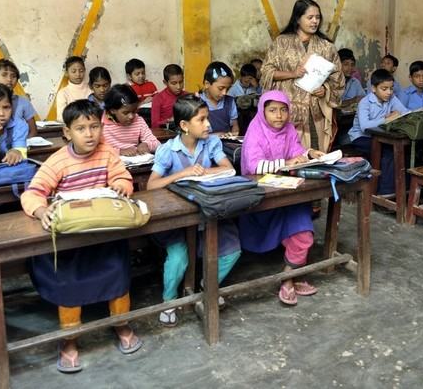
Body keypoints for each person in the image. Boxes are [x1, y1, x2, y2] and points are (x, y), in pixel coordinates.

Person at [21, 100, 141, 373]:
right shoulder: (58, 161)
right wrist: (40, 211)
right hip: (71, 243)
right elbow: (33, 192)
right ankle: (69, 341)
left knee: (118, 276)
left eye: (95, 126)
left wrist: (122, 186)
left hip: (103, 235)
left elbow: (123, 177)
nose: (90, 134)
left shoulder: (108, 153)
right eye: (81, 128)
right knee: (69, 287)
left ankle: (121, 324)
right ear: (67, 132)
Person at [147, 96, 241, 326]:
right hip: (177, 219)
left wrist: (205, 173)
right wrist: (183, 173)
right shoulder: (167, 150)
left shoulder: (211, 143)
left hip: (206, 213)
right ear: (184, 126)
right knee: (179, 258)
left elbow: (228, 169)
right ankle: (168, 301)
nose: (209, 124)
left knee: (232, 250)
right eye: (202, 120)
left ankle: (207, 287)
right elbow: (151, 185)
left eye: (207, 118)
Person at [240, 91, 325, 305]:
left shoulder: (288, 129)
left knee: (304, 234)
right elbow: (254, 166)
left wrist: (309, 153)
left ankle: (289, 276)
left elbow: (295, 151)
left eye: (283, 109)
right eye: (272, 110)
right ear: (262, 111)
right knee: (295, 225)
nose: (279, 115)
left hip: (288, 193)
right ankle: (292, 279)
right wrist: (286, 164)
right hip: (261, 199)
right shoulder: (255, 131)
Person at [260, 0, 345, 151]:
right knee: (289, 156)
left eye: (318, 18)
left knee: (314, 155)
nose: (315, 22)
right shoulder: (281, 43)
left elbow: (337, 80)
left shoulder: (327, 47)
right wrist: (292, 73)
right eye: (310, 17)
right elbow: (266, 72)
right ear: (298, 19)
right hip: (287, 111)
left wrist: (325, 90)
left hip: (314, 113)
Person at [348, 69, 409, 195]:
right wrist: (387, 119)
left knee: (404, 150)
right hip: (361, 137)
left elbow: (405, 112)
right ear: (374, 88)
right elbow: (365, 126)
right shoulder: (365, 102)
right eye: (384, 88)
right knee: (388, 152)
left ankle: (403, 188)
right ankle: (385, 192)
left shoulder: (392, 98)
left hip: (381, 137)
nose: (389, 92)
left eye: (391, 88)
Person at [0, 58, 38, 136]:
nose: (9, 79)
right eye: (4, 75)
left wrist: (21, 145)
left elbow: (33, 131)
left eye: (13, 76)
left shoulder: (23, 102)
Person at [101, 84, 160, 156]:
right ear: (113, 110)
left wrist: (147, 145)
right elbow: (98, 150)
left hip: (136, 163)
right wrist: (120, 151)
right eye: (125, 113)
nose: (131, 116)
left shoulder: (138, 121)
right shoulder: (102, 125)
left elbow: (156, 143)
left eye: (134, 111)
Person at [200, 61, 239, 135]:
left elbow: (235, 125)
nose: (224, 93)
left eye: (227, 89)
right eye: (221, 88)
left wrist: (234, 135)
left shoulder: (230, 102)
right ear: (207, 84)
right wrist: (218, 136)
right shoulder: (197, 102)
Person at [56, 56, 91, 122]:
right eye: (73, 71)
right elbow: (61, 118)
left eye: (81, 71)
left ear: (85, 70)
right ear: (66, 73)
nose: (78, 74)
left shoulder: (91, 90)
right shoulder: (63, 93)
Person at [150, 64, 186, 129]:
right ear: (165, 82)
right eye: (174, 83)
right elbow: (154, 125)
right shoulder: (158, 98)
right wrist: (169, 121)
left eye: (181, 82)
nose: (178, 87)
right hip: (166, 135)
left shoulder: (187, 96)